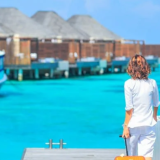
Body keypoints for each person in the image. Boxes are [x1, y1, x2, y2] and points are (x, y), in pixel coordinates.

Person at [122, 54, 159, 160]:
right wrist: (154, 117)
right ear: (145, 66)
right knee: (147, 156)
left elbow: (129, 109)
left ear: (131, 67)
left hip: (133, 126)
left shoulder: (128, 84)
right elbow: (156, 103)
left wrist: (125, 127)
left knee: (132, 157)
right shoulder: (152, 83)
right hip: (148, 125)